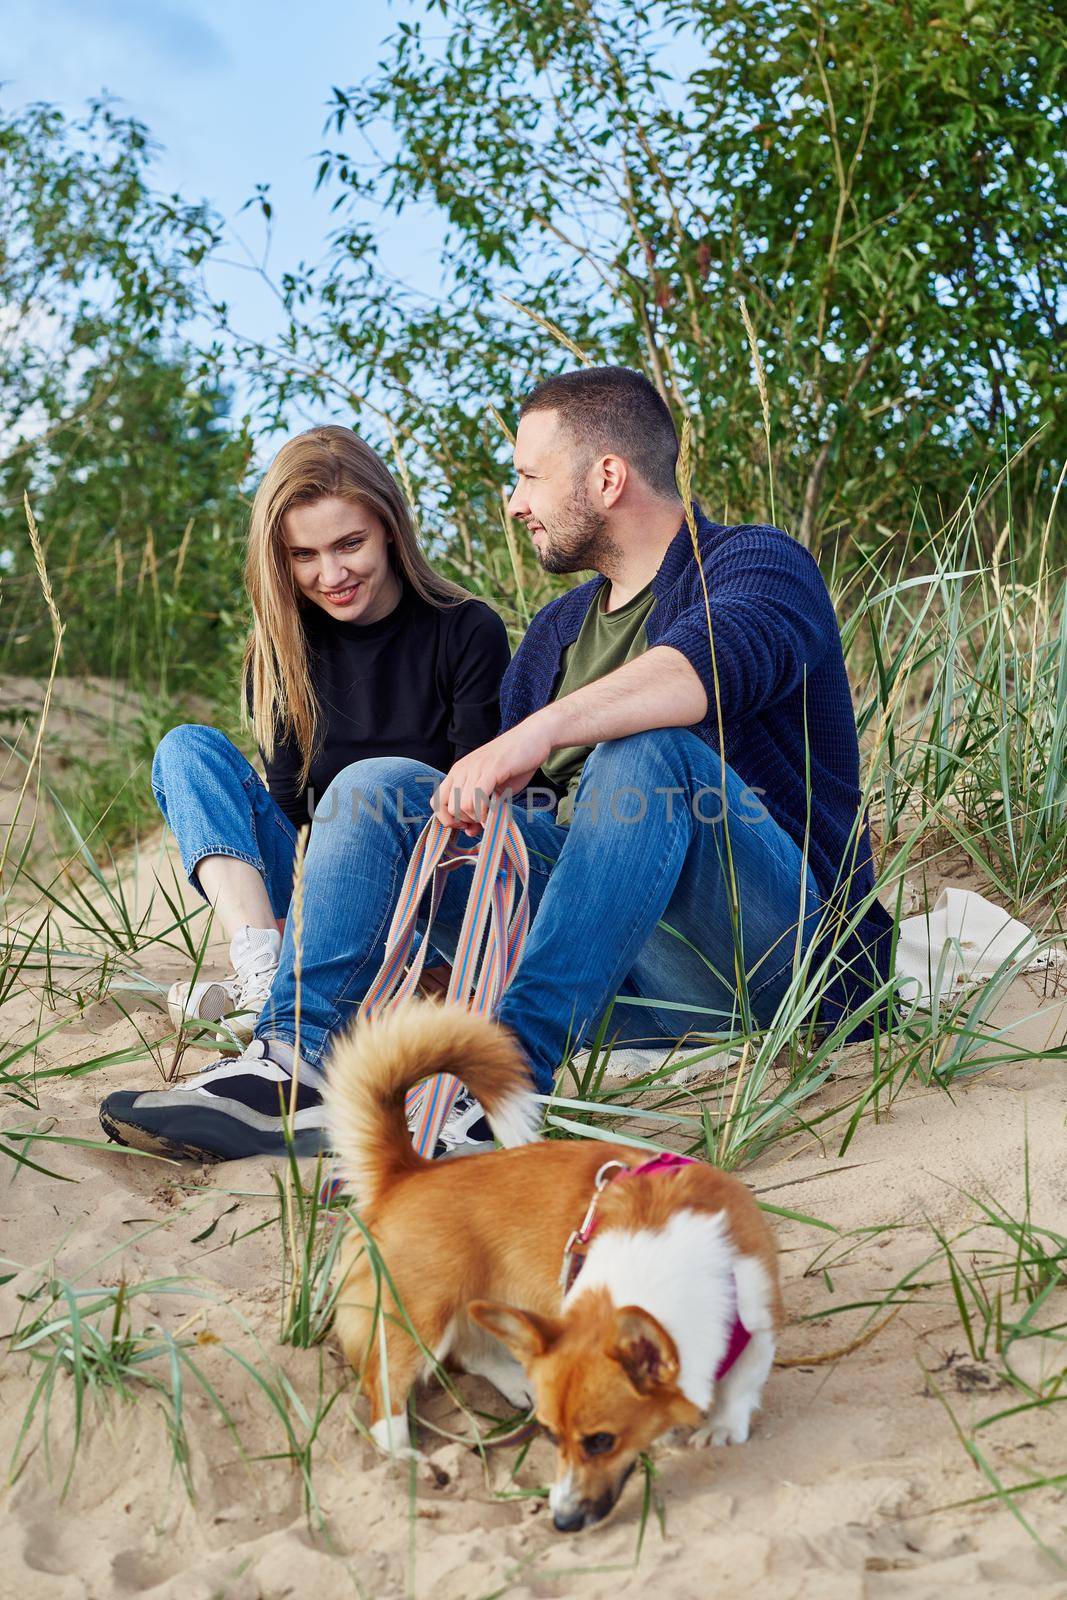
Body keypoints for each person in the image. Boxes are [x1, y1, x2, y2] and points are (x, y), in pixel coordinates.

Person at [101, 369, 895, 1162]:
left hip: (787, 960)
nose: (515, 503)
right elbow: (522, 832)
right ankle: (291, 1062)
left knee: (650, 748)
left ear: (606, 477)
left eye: (526, 477)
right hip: (628, 985)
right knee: (374, 788)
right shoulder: (555, 634)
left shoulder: (753, 562)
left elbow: (716, 662)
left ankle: (507, 1074)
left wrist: (536, 734)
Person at [149, 423, 509, 1045]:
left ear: (390, 529)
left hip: (433, 883)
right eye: (304, 555)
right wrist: (303, 914)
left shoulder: (466, 629)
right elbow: (289, 812)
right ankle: (264, 971)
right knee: (184, 750)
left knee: (381, 797)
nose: (332, 573)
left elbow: (478, 811)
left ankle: (369, 975)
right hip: (327, 886)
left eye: (350, 544)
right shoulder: (281, 651)